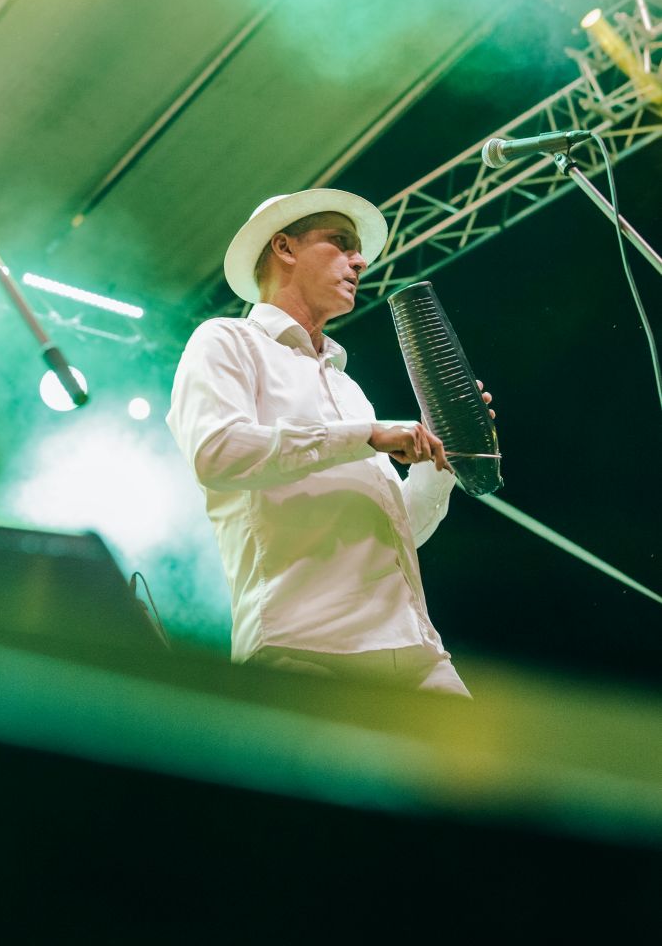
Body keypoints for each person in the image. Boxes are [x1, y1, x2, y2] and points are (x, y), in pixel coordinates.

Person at [166, 188, 494, 696]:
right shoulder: (226, 341)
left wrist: (439, 459)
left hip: (417, 653)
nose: (360, 261)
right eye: (341, 243)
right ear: (284, 247)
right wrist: (367, 434)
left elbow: (397, 529)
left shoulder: (348, 387)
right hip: (302, 650)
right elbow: (218, 454)